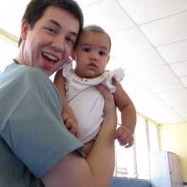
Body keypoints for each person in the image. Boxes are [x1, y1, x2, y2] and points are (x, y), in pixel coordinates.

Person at [0, 0, 117, 187]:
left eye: (70, 39)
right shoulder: (27, 82)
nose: (59, 45)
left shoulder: (5, 84)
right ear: (25, 29)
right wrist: (111, 120)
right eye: (51, 30)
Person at [54, 25, 136, 156]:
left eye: (102, 53)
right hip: (59, 137)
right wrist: (67, 112)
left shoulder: (109, 80)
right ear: (74, 53)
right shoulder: (65, 73)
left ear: (107, 59)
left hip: (90, 146)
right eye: (87, 49)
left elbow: (127, 106)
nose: (94, 57)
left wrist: (128, 128)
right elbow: (58, 95)